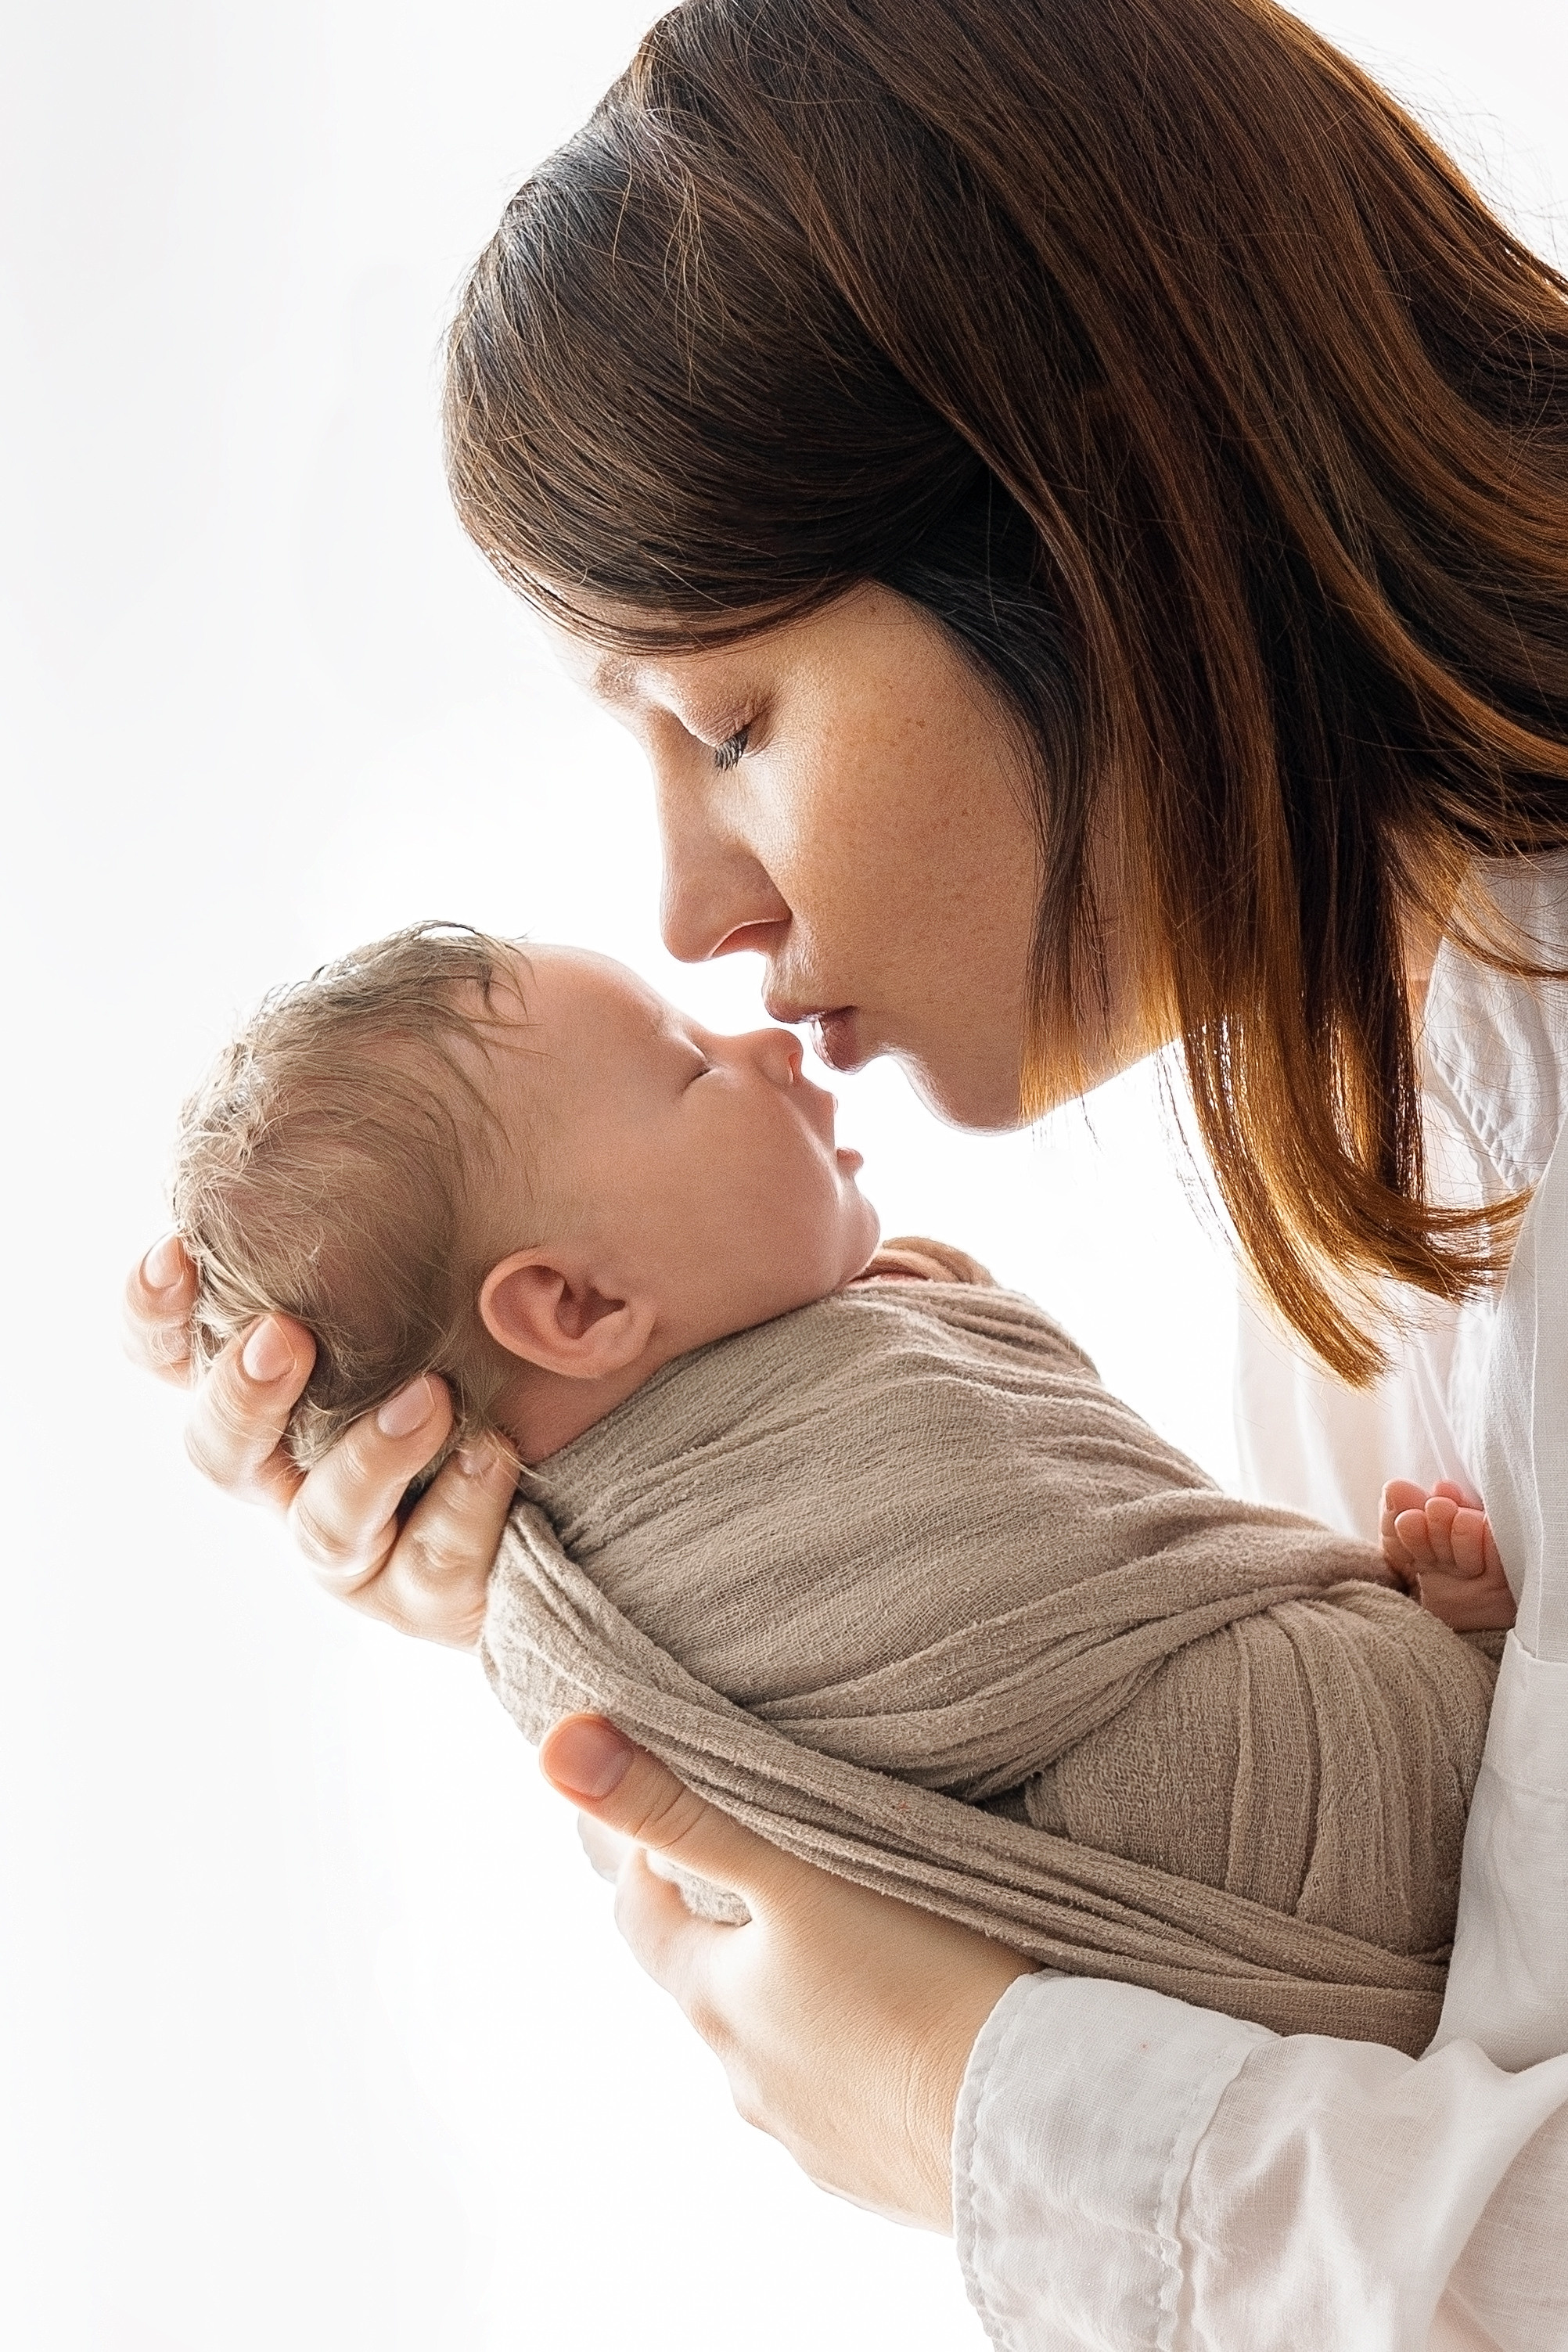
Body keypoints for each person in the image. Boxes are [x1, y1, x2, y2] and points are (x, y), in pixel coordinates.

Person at [124, 0, 1568, 2338]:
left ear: (1092, 515)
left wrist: (970, 2092)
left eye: (733, 722)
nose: (699, 910)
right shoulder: (1363, 1059)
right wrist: (605, 1545)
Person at [168, 919, 1505, 2047]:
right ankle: (1452, 1692)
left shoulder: (811, 1400)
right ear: (575, 1304)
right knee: (1339, 1762)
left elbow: (1062, 1509)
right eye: (692, 1068)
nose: (764, 1040)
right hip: (1324, 1848)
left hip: (1304, 1905)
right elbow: (799, 1808)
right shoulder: (660, 1563)